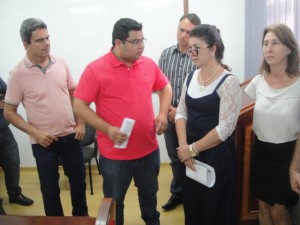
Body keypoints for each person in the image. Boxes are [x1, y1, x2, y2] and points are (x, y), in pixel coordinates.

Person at [73, 18, 172, 225]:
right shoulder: (95, 69)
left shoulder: (148, 63)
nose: (142, 46)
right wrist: (107, 129)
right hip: (115, 156)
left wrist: (162, 113)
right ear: (118, 43)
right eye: (135, 41)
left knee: (150, 202)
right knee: (115, 207)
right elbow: (79, 105)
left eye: (142, 39)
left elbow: (165, 87)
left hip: (148, 151)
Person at [4, 18, 88, 216]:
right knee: (50, 190)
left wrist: (81, 122)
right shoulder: (17, 74)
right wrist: (35, 132)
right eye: (40, 40)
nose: (47, 43)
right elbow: (9, 112)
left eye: (48, 37)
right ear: (26, 45)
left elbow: (74, 93)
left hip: (70, 136)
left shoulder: (61, 62)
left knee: (78, 183)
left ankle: (81, 219)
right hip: (43, 142)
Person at [176, 24, 242, 225]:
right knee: (193, 205)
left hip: (215, 154)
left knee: (214, 208)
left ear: (213, 49)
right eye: (190, 49)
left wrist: (192, 149)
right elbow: (181, 112)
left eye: (197, 48)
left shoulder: (228, 81)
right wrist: (183, 147)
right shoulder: (191, 76)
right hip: (190, 152)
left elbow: (225, 128)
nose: (192, 53)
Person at [245, 23, 300, 225]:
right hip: (261, 154)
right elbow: (233, 107)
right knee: (263, 207)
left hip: (287, 156)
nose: (268, 48)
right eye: (265, 43)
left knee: (279, 212)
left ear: (289, 48)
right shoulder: (257, 82)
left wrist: (295, 169)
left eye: (275, 43)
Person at [158, 13, 201, 211]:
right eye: (181, 30)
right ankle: (177, 193)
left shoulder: (199, 56)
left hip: (191, 118)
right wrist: (167, 110)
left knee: (191, 156)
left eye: (188, 31)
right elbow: (160, 86)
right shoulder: (166, 55)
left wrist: (180, 111)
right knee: (175, 158)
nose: (183, 35)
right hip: (169, 115)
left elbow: (202, 91)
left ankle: (193, 195)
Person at [0, 77, 34, 215]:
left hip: (4, 132)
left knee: (13, 164)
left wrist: (3, 99)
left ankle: (15, 195)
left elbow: (7, 91)